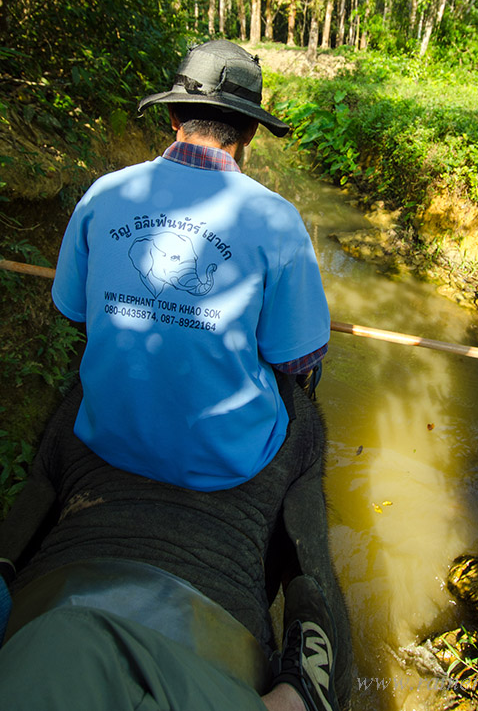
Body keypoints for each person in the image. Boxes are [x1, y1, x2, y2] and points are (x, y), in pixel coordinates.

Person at [50, 39, 330, 492]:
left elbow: (73, 310)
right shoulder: (276, 219)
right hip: (226, 461)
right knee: (307, 407)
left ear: (173, 116)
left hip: (106, 438)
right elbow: (295, 356)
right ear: (250, 132)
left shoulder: (104, 193)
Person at [0, 380, 353, 711]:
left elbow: (32, 511)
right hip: (198, 665)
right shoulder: (293, 417)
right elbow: (310, 561)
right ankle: (300, 692)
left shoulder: (86, 393)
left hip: (43, 638)